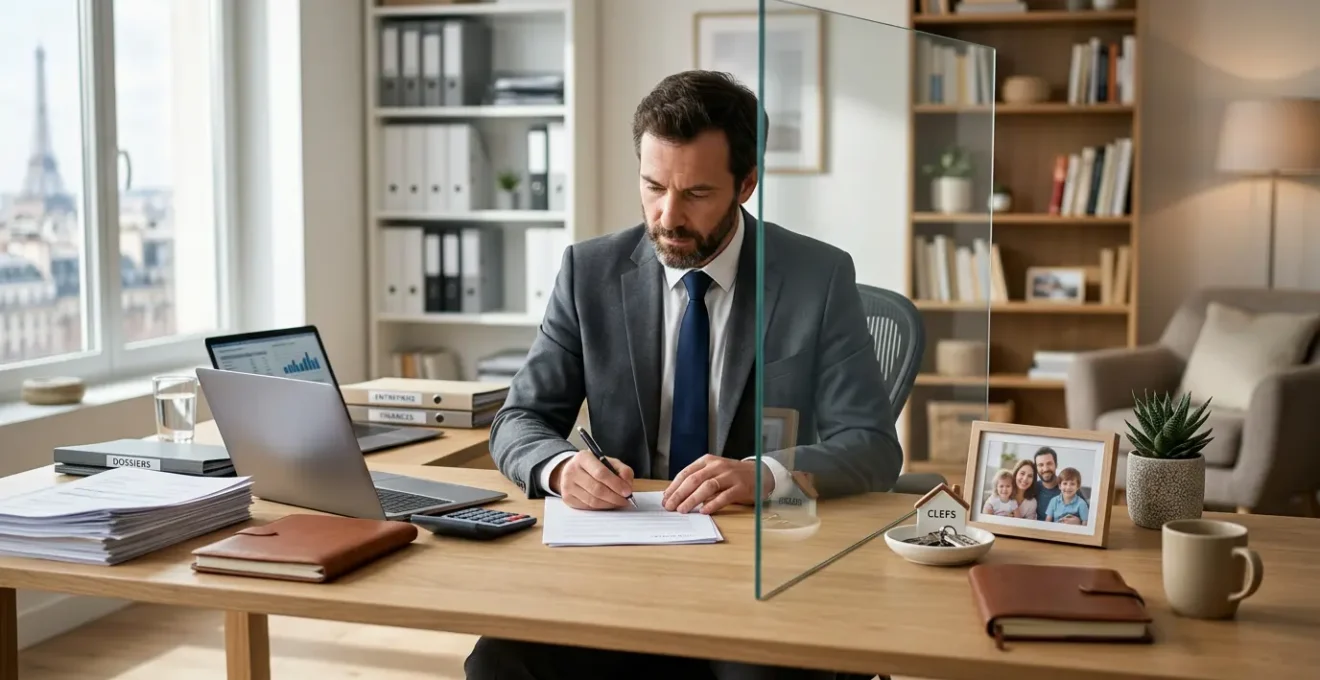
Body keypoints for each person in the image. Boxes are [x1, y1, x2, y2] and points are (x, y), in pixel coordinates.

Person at [465, 70, 901, 680]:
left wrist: (765, 476)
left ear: (746, 185)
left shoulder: (817, 277)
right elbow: (520, 418)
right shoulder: (588, 272)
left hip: (759, 561)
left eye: (696, 193)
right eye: (653, 186)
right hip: (620, 559)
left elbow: (873, 447)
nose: (667, 216)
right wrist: (560, 468)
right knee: (498, 661)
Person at [1032, 447, 1063, 522]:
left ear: (1056, 465)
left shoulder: (1068, 488)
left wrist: (1078, 521)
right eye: (1040, 465)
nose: (1045, 469)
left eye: (1049, 463)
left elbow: (1088, 516)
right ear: (1036, 468)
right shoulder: (1032, 488)